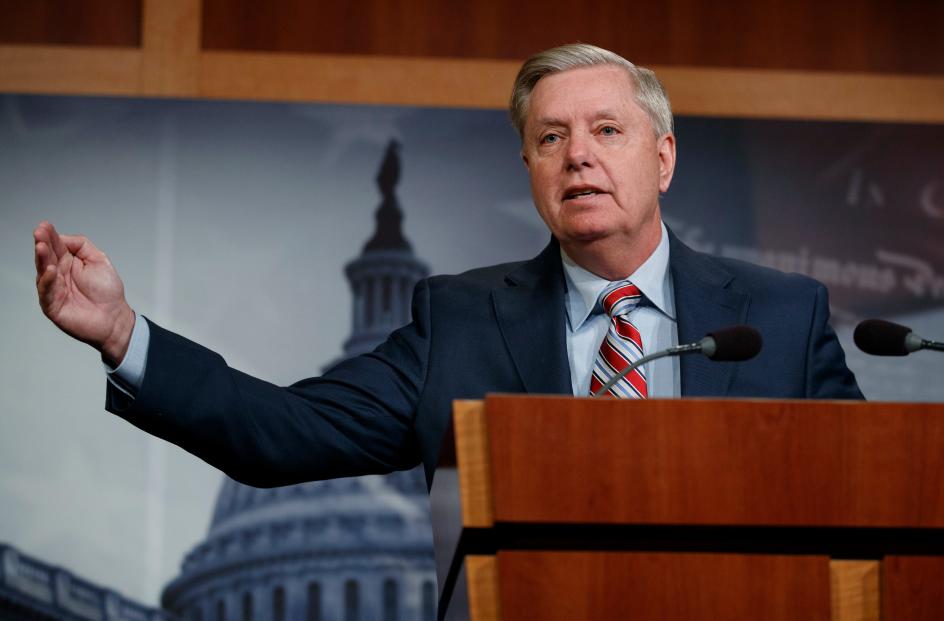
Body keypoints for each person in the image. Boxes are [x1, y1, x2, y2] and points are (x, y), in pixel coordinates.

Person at [33, 44, 862, 489]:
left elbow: (869, 494)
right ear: (530, 170)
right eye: (550, 138)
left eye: (607, 131)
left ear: (665, 157)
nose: (578, 157)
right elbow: (278, 434)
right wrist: (121, 333)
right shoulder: (459, 323)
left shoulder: (780, 318)